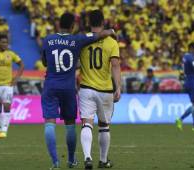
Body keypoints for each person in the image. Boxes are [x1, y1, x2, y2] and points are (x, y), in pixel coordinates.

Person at [41, 12, 116, 170]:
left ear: (58, 24)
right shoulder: (77, 40)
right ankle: (71, 159)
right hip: (69, 88)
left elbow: (45, 62)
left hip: (51, 85)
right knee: (70, 124)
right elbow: (97, 35)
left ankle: (55, 161)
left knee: (49, 123)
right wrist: (110, 31)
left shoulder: (47, 40)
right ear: (73, 26)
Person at [79, 10, 121, 170]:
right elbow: (115, 66)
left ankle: (87, 157)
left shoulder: (83, 40)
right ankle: (103, 161)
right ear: (103, 23)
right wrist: (118, 87)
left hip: (86, 88)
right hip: (105, 90)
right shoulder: (111, 42)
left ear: (89, 23)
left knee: (86, 124)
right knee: (104, 126)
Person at [0, 34, 24, 138]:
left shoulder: (11, 54)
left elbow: (21, 65)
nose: (5, 44)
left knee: (6, 106)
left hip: (8, 85)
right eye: (3, 42)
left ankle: (4, 130)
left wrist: (16, 78)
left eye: (6, 42)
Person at [176, 42, 194, 131]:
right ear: (192, 48)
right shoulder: (190, 57)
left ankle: (187, 122)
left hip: (188, 80)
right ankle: (193, 125)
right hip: (193, 81)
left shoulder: (185, 57)